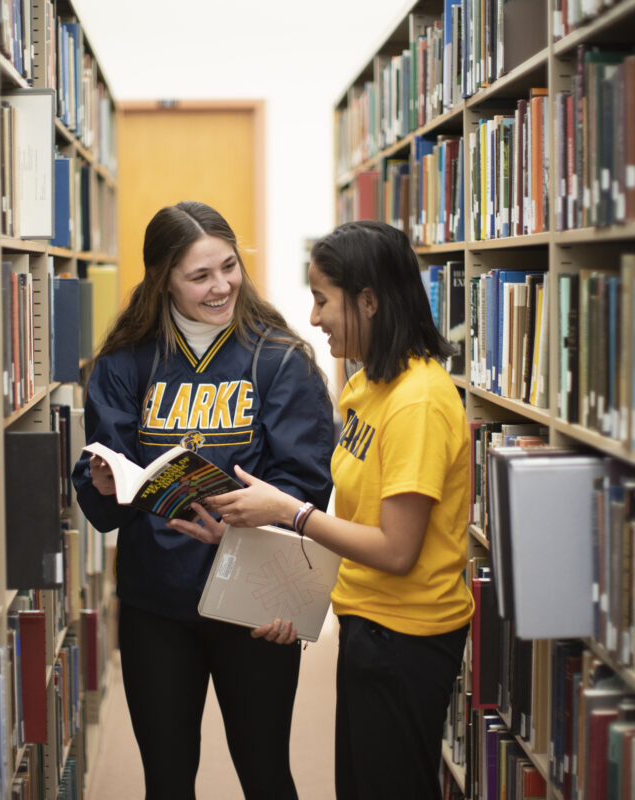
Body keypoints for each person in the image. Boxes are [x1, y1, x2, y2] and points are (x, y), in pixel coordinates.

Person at [203, 220, 475, 800]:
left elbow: (396, 550)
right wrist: (244, 544)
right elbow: (352, 525)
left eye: (323, 299)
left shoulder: (419, 402)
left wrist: (290, 510)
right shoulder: (367, 388)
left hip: (406, 641)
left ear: (369, 301)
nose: (315, 317)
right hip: (366, 628)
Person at [72, 201, 334, 800]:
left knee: (265, 772)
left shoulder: (278, 359)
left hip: (255, 603)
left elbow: (304, 490)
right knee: (166, 779)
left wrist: (261, 561)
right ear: (163, 278)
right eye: (200, 276)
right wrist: (106, 483)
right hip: (155, 604)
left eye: (229, 267)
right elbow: (104, 496)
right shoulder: (124, 361)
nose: (221, 286)